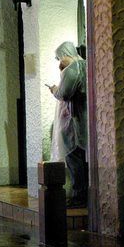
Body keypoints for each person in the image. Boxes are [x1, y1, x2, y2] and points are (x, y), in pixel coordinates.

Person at [47, 41, 88, 206]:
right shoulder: (86, 64)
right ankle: (85, 194)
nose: (59, 61)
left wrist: (54, 90)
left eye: (59, 57)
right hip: (87, 121)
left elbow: (64, 94)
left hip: (76, 123)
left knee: (74, 158)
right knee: (85, 161)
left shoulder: (72, 70)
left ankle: (79, 196)